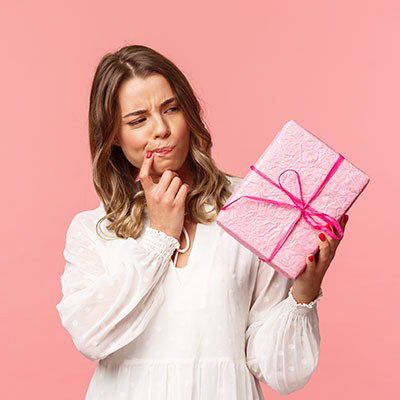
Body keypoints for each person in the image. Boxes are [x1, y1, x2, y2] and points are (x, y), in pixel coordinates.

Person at [55, 44, 349, 399]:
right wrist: (160, 237)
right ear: (113, 134)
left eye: (171, 108)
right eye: (138, 120)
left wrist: (303, 293)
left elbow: (279, 373)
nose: (161, 129)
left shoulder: (250, 207)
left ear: (189, 112)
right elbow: (92, 337)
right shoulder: (93, 229)